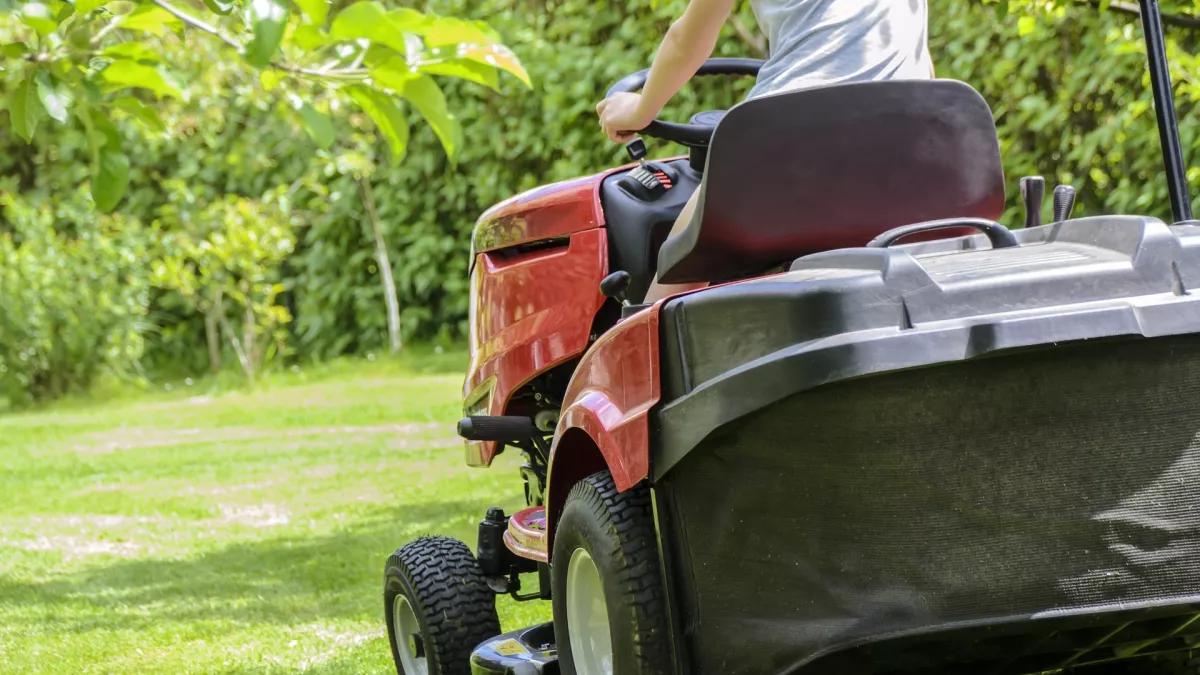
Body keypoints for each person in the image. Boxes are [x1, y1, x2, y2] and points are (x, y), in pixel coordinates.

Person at [596, 0, 934, 302]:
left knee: (678, 270)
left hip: (792, 137)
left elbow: (686, 41)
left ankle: (642, 344)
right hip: (916, 141)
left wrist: (639, 111)